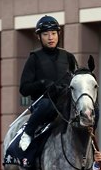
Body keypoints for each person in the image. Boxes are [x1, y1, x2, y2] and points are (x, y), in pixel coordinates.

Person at [18, 15, 78, 151]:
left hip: (65, 102)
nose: (50, 37)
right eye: (46, 34)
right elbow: (24, 88)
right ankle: (28, 133)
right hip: (43, 104)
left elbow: (76, 80)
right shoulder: (34, 58)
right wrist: (42, 83)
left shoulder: (69, 57)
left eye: (53, 33)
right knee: (47, 104)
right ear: (39, 37)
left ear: (58, 34)